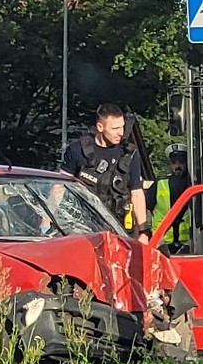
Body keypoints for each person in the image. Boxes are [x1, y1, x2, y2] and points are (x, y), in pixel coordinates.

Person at [59, 103, 149, 243]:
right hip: (81, 229)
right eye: (115, 128)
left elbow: (136, 193)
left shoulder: (129, 154)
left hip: (118, 229)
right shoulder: (77, 150)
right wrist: (47, 218)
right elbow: (60, 186)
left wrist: (143, 232)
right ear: (100, 127)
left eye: (122, 127)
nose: (121, 132)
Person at [146, 143, 191, 253]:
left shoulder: (193, 183)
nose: (177, 166)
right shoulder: (159, 183)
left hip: (188, 243)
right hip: (161, 244)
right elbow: (146, 209)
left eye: (181, 162)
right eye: (174, 163)